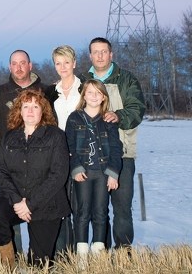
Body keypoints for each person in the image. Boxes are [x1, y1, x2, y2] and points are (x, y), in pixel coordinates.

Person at [0, 89, 70, 268]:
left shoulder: (56, 136)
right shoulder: (10, 136)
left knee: (38, 264)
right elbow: (1, 171)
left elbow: (58, 175)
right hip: (15, 197)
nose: (30, 111)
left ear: (43, 110)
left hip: (47, 203)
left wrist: (29, 204)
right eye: (26, 106)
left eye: (35, 106)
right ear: (19, 110)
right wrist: (16, 201)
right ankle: (8, 265)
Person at [84, 37, 145, 249]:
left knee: (122, 207)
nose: (100, 56)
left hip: (122, 155)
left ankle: (123, 252)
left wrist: (119, 116)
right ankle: (102, 252)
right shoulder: (83, 81)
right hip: (92, 157)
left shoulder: (126, 79)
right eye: (95, 52)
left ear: (111, 54)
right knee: (97, 210)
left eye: (104, 51)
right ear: (90, 55)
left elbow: (137, 109)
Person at [65, 80, 122, 262]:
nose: (94, 96)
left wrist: (113, 173)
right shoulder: (74, 118)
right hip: (83, 173)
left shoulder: (108, 120)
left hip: (103, 174)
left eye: (98, 93)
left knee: (100, 213)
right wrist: (75, 167)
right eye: (90, 92)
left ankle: (98, 256)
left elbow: (115, 148)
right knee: (81, 213)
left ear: (104, 97)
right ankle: (81, 257)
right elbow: (69, 145)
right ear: (84, 95)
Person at [45, 45, 83, 255]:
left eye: (66, 62)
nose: (63, 67)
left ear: (74, 63)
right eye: (58, 63)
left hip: (82, 155)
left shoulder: (86, 88)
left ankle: (82, 255)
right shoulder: (50, 92)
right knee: (61, 207)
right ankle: (62, 255)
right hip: (58, 156)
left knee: (81, 207)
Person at [0, 49, 45, 152]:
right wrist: (1, 154)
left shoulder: (45, 92)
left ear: (30, 65)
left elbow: (51, 124)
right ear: (10, 67)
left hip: (40, 155)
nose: (18, 68)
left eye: (22, 63)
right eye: (14, 64)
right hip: (8, 156)